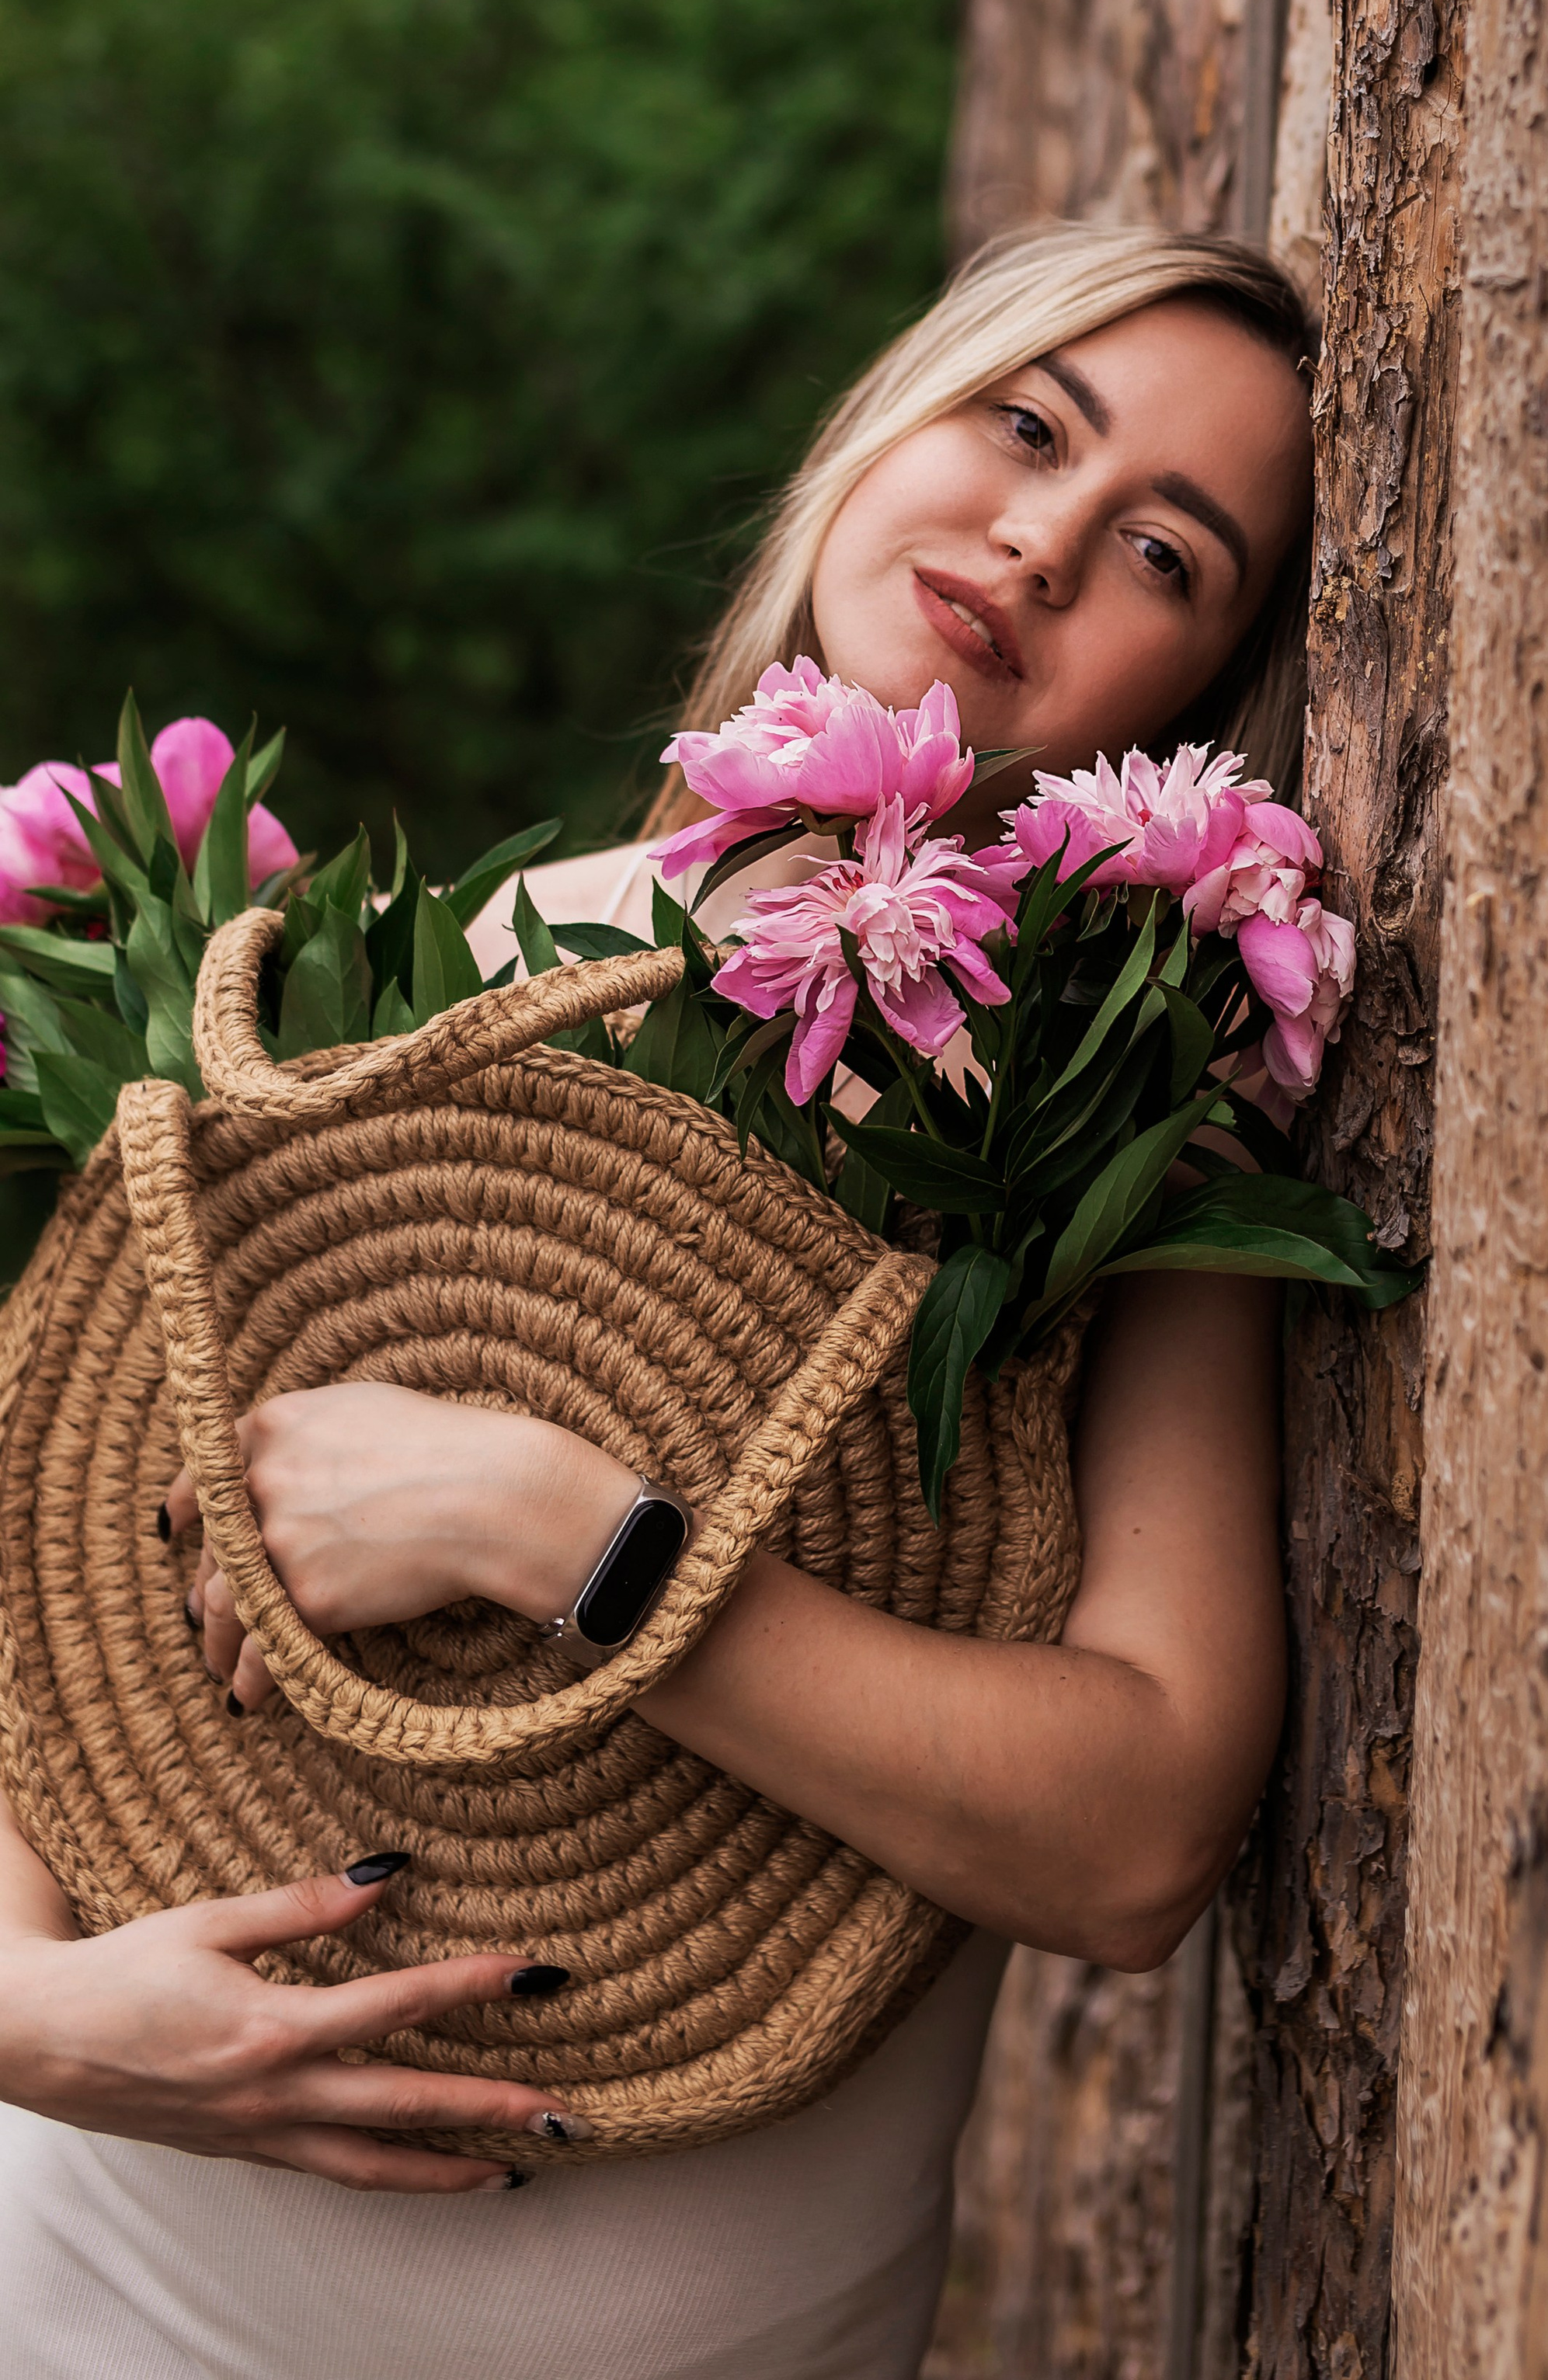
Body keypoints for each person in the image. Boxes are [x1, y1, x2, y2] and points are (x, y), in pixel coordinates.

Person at [0, 222, 1318, 2380]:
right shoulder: (498, 941)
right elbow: (75, 1558)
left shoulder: (1132, 1126)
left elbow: (1143, 1835)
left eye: (1166, 553)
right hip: (98, 2295)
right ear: (886, 418)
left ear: (1206, 689)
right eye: (1024, 424)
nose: (1043, 538)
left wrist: (560, 1539)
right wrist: (38, 2023)